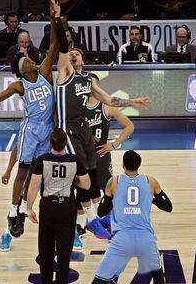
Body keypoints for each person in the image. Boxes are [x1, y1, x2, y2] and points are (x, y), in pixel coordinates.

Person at [0, 0, 59, 252]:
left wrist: (53, 16)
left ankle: (36, 215)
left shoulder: (43, 73)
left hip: (48, 132)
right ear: (23, 68)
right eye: (27, 60)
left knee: (39, 178)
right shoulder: (20, 84)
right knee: (23, 173)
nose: (31, 59)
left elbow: (53, 45)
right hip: (30, 130)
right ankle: (12, 212)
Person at [54, 0, 150, 243]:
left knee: (93, 179)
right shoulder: (64, 74)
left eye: (77, 54)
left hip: (84, 131)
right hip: (68, 132)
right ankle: (90, 220)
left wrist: (132, 102)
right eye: (71, 54)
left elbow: (109, 100)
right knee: (83, 178)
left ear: (83, 60)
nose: (73, 55)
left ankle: (94, 218)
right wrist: (57, 19)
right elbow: (63, 47)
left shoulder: (88, 81)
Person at [92, 150, 173, 284]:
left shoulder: (114, 181)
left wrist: (112, 199)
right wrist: (149, 198)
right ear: (139, 165)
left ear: (123, 165)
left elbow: (101, 212)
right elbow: (168, 207)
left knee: (99, 280)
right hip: (145, 239)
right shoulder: (150, 181)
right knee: (158, 275)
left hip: (121, 239)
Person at [27, 128, 90, 284]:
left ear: (50, 143)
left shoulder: (42, 160)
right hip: (67, 208)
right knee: (64, 252)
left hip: (48, 208)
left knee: (45, 250)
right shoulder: (74, 160)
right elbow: (86, 184)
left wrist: (29, 208)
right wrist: (70, 180)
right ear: (66, 143)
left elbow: (33, 187)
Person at [78, 74, 134, 236]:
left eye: (93, 84)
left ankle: (108, 221)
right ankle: (81, 225)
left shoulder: (106, 106)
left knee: (106, 190)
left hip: (101, 155)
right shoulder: (78, 107)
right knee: (81, 191)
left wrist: (114, 144)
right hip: (82, 154)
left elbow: (129, 126)